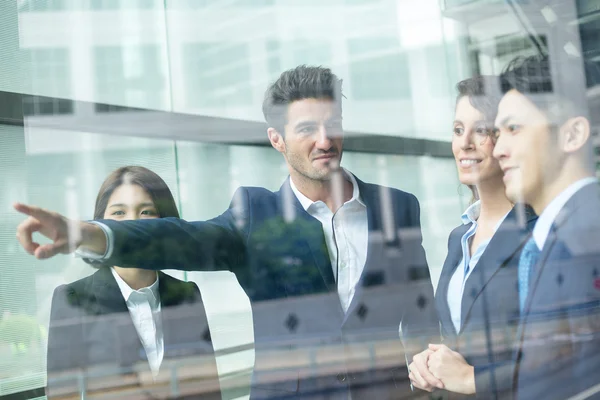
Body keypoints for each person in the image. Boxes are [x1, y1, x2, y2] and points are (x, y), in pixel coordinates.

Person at [15, 66, 439, 399]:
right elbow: (181, 238)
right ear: (277, 138)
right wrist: (87, 234)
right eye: (307, 129)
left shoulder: (398, 207)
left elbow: (422, 316)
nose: (324, 140)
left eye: (332, 124)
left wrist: (429, 382)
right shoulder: (256, 213)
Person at [408, 76, 537, 399]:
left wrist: (470, 378)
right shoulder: (459, 238)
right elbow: (458, 337)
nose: (464, 143)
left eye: (480, 130)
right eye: (456, 130)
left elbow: (564, 358)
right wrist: (429, 363)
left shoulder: (540, 232)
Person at [45, 166, 221, 399]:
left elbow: (208, 390)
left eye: (146, 212)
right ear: (100, 226)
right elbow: (61, 395)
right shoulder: (73, 299)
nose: (131, 224)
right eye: (119, 213)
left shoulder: (187, 294)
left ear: (166, 223)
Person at [493, 54, 600, 399]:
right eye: (497, 134)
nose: (497, 149)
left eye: (513, 129)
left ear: (573, 135)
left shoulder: (588, 236)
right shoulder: (554, 238)